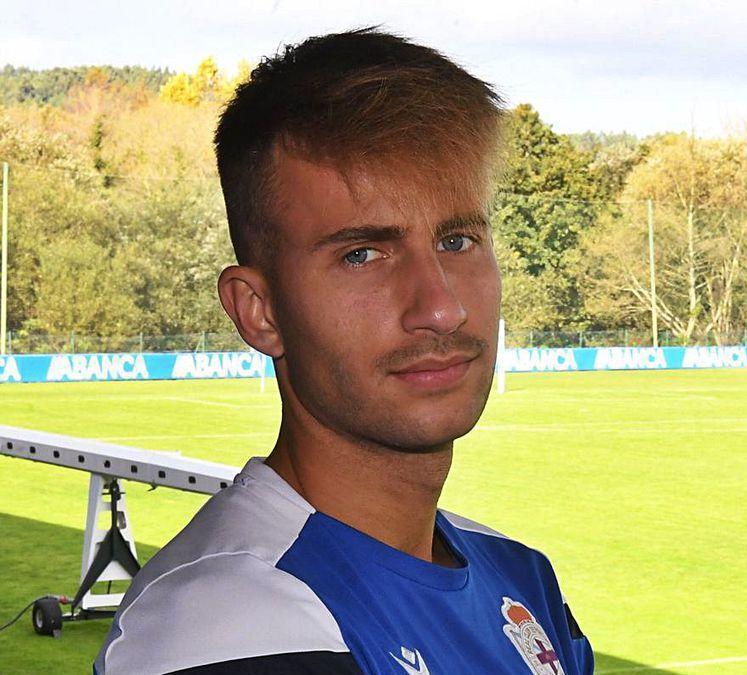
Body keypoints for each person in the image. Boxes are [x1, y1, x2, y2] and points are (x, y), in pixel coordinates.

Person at [94, 27, 593, 675]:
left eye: (458, 240)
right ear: (260, 310)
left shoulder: (523, 581)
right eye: (362, 253)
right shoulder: (226, 627)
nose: (441, 306)